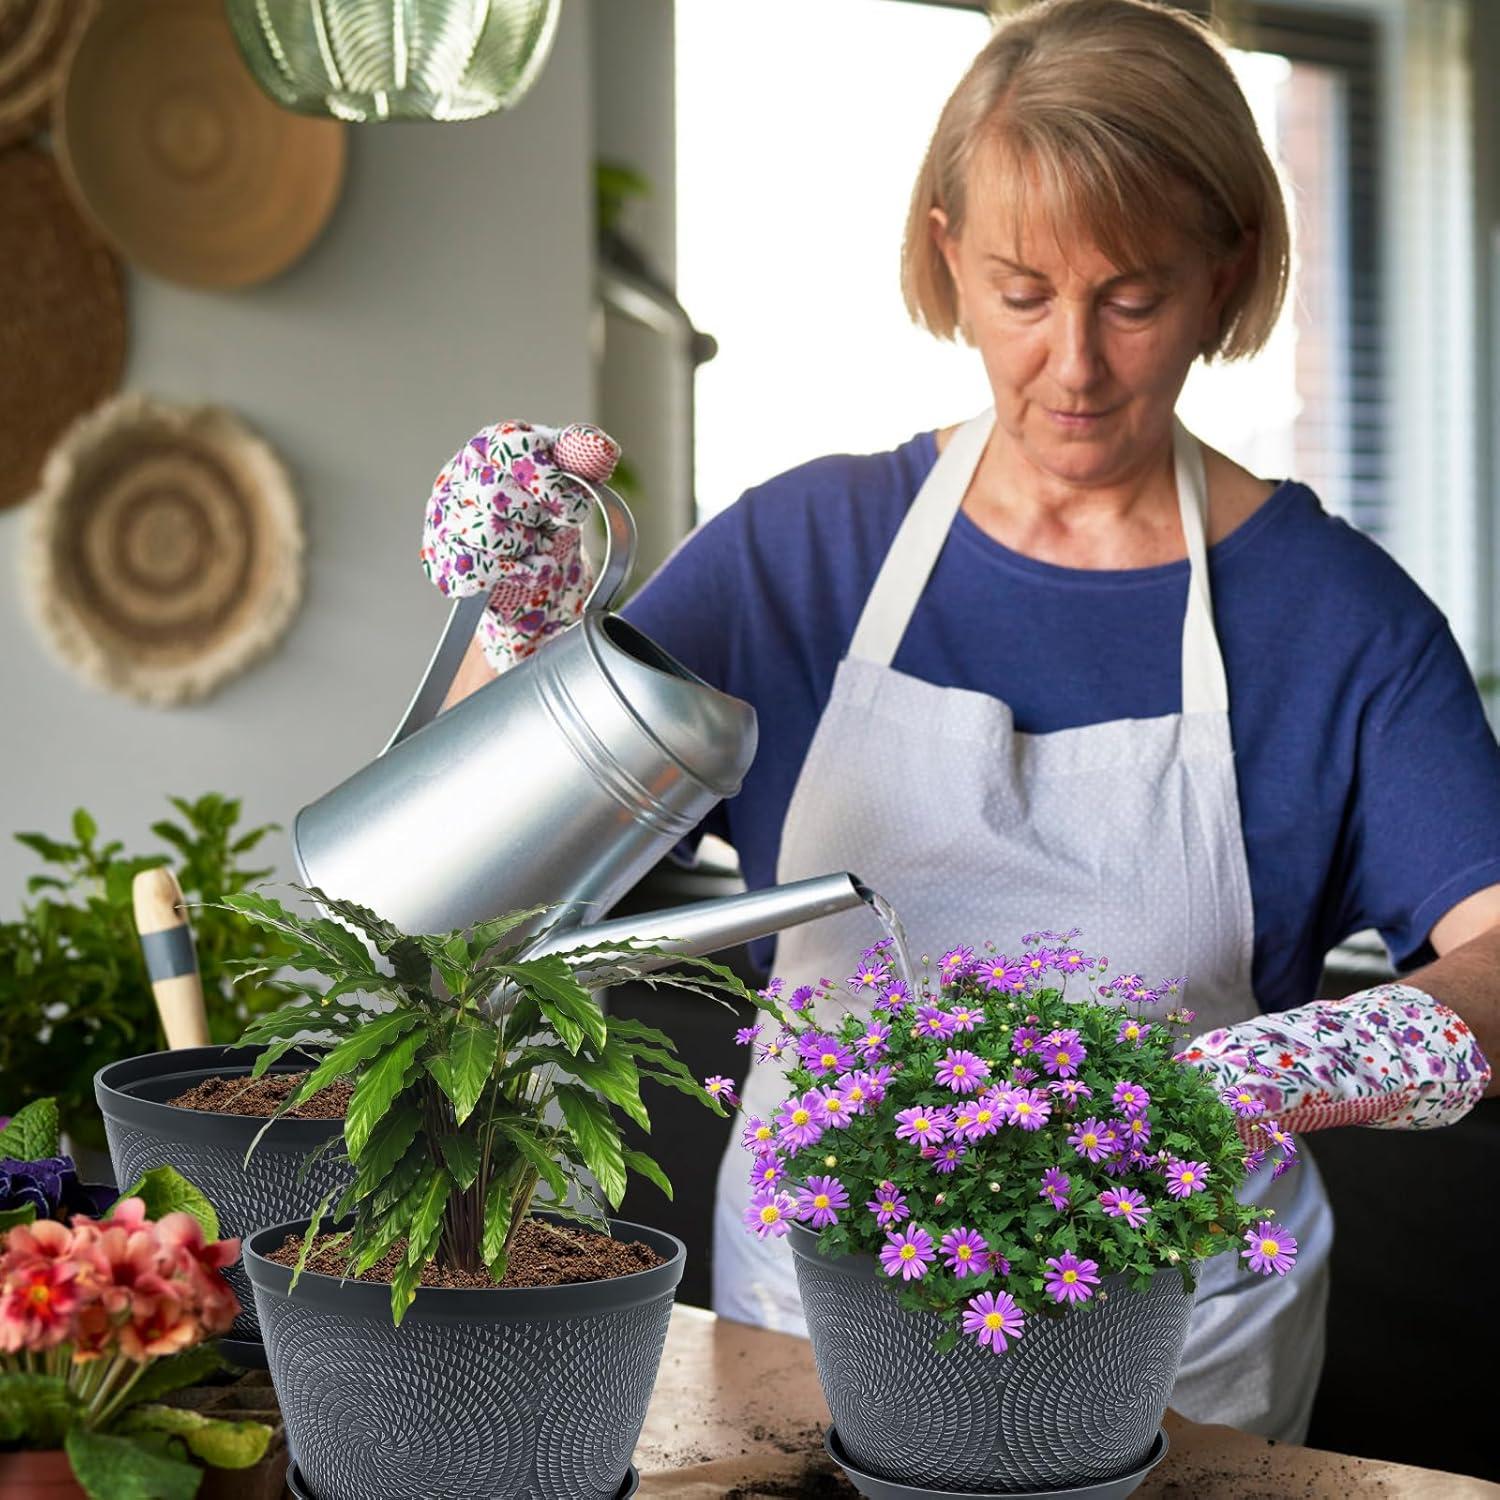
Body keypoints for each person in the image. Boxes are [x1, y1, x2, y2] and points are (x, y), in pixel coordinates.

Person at [419, 0, 1498, 1445]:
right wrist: (522, 628)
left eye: (1133, 297)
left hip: (1181, 1351)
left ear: (1226, 270)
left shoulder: (1332, 617)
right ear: (944, 253)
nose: (1073, 364)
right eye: (1020, 292)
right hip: (808, 1327)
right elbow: (463, 889)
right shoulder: (799, 557)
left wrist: (1296, 1067)